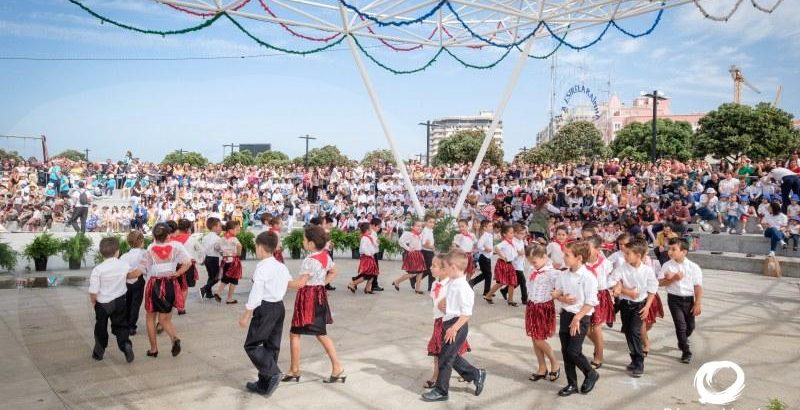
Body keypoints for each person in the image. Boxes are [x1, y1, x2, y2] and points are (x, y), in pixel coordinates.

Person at [238, 231, 308, 396]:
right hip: (279, 307)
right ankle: (264, 384)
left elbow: (256, 293)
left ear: (261, 248)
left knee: (252, 345)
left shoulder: (262, 268)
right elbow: (289, 283)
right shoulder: (280, 266)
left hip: (265, 309)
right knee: (272, 346)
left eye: (256, 247)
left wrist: (246, 314)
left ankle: (273, 372)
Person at [421, 250, 487, 402]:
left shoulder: (464, 287)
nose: (444, 270)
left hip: (456, 325)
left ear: (453, 267)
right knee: (450, 356)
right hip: (448, 321)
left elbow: (466, 314)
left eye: (446, 267)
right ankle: (477, 374)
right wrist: (445, 304)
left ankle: (441, 390)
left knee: (445, 358)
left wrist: (454, 328)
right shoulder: (452, 281)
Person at [282, 225, 344, 383]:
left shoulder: (309, 260)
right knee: (321, 333)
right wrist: (322, 284)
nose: (303, 242)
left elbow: (300, 284)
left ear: (311, 243)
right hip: (319, 296)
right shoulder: (325, 256)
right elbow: (334, 271)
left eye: (304, 239)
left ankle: (295, 369)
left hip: (307, 298)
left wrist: (282, 282)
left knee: (295, 333)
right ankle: (337, 368)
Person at [551, 241, 599, 396]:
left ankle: (590, 373)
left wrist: (577, 318)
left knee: (573, 351)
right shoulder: (563, 274)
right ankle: (572, 383)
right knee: (566, 352)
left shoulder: (588, 277)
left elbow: (590, 302)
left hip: (581, 316)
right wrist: (560, 298)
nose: (564, 257)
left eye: (567, 255)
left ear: (579, 258)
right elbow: (557, 293)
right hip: (566, 314)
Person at [89, 236, 141, 363]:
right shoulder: (123, 265)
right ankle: (125, 345)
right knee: (121, 325)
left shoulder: (98, 269)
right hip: (119, 301)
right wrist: (140, 270)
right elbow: (132, 276)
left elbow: (93, 291)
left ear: (101, 253)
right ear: (117, 251)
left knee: (100, 327)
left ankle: (99, 351)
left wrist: (94, 301)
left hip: (102, 303)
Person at [611, 237, 658, 378]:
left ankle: (639, 361)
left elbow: (652, 289)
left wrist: (648, 306)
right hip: (625, 305)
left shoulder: (647, 271)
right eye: (624, 253)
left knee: (634, 331)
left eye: (627, 254)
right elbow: (611, 280)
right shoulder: (622, 268)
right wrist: (621, 288)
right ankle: (634, 358)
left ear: (638, 255)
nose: (625, 256)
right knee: (628, 332)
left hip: (640, 305)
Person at [143, 223, 191, 358]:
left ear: (154, 236)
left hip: (155, 284)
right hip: (170, 283)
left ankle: (153, 349)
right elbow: (188, 262)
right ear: (168, 235)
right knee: (164, 318)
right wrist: (177, 273)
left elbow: (146, 269)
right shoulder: (176, 247)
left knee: (150, 317)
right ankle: (174, 338)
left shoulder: (150, 248)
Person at [423, 254, 471, 389]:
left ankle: (466, 373)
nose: (430, 268)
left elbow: (458, 306)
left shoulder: (452, 285)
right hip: (438, 321)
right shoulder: (434, 284)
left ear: (445, 270)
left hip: (450, 322)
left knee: (454, 351)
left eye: (434, 266)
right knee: (437, 350)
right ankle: (435, 376)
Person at [658, 237, 703, 364]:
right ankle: (686, 351)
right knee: (680, 326)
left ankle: (682, 339)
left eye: (674, 249)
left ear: (684, 252)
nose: (670, 252)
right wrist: (672, 279)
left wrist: (697, 303)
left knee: (690, 326)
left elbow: (698, 286)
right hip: (674, 299)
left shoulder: (693, 267)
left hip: (689, 300)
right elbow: (660, 282)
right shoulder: (667, 265)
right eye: (669, 249)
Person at [524, 244, 560, 383]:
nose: (532, 264)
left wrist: (559, 296)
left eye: (534, 261)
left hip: (543, 307)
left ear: (544, 257)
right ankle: (542, 368)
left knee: (539, 339)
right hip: (532, 306)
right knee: (534, 338)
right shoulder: (533, 270)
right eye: (530, 261)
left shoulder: (553, 273)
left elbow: (561, 288)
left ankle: (555, 364)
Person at [584, 236, 614, 369]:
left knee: (596, 328)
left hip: (599, 296)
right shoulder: (582, 262)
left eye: (588, 248)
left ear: (597, 249)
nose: (585, 250)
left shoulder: (605, 263)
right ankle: (598, 346)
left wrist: (615, 287)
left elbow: (613, 278)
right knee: (585, 328)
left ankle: (599, 356)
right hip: (585, 296)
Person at [170, 219, 202, 314]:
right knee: (184, 287)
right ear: (188, 228)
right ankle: (181, 307)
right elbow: (201, 250)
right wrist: (198, 260)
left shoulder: (171, 239)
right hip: (187, 265)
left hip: (173, 266)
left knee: (174, 286)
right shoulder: (192, 239)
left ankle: (172, 305)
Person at [120, 230, 147, 336]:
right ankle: (132, 326)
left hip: (126, 282)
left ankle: (126, 323)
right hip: (138, 281)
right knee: (135, 304)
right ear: (141, 241)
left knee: (127, 303)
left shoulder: (124, 256)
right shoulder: (144, 253)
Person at [485, 224, 519, 306]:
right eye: (510, 233)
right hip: (503, 264)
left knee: (512, 282)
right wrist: (502, 256)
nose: (512, 234)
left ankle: (510, 300)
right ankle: (488, 296)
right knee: (500, 282)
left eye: (513, 232)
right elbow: (496, 247)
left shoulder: (512, 242)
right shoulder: (504, 242)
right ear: (504, 234)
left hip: (510, 264)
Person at [392, 221, 427, 294]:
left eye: (421, 226)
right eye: (417, 226)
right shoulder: (409, 234)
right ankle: (397, 281)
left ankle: (417, 289)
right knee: (412, 273)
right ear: (412, 227)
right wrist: (408, 248)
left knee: (420, 272)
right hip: (413, 255)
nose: (419, 227)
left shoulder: (420, 235)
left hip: (419, 254)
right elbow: (401, 241)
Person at [215, 221, 243, 304]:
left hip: (224, 261)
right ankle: (229, 298)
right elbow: (239, 246)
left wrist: (222, 252)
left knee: (225, 279)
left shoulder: (222, 238)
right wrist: (238, 254)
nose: (238, 231)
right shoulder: (234, 238)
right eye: (237, 230)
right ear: (230, 230)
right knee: (234, 280)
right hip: (233, 261)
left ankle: (218, 292)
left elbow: (216, 247)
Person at [347, 222, 379, 294]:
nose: (372, 230)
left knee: (373, 273)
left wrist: (376, 244)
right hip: (367, 258)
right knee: (367, 274)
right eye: (370, 229)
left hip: (370, 257)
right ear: (367, 230)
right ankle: (352, 283)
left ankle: (367, 288)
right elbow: (363, 249)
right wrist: (369, 254)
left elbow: (373, 246)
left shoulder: (368, 237)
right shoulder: (364, 238)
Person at [469, 220, 494, 297]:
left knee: (485, 274)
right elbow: (479, 245)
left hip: (488, 257)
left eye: (491, 226)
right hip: (483, 257)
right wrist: (485, 249)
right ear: (485, 228)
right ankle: (486, 292)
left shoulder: (490, 235)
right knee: (488, 274)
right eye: (489, 226)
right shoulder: (484, 236)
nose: (491, 227)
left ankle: (471, 282)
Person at [199, 217, 222, 299]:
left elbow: (203, 249)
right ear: (214, 227)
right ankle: (204, 288)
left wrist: (202, 259)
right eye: (220, 226)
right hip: (214, 258)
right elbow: (219, 249)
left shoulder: (205, 237)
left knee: (211, 276)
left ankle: (209, 293)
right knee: (217, 277)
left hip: (207, 258)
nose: (221, 228)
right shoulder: (217, 238)